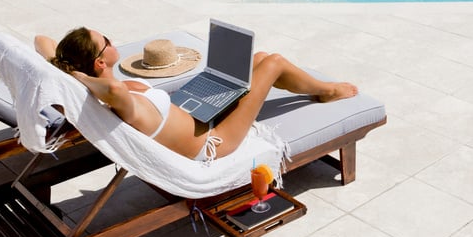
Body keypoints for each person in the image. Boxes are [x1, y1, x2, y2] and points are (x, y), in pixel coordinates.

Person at [36, 28, 357, 161]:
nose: (111, 38)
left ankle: (319, 89)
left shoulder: (109, 89)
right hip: (215, 140)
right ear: (99, 62)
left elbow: (42, 41)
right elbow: (115, 87)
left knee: (257, 58)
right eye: (105, 39)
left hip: (195, 112)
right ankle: (327, 91)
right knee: (272, 63)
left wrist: (66, 69)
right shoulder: (119, 96)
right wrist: (76, 74)